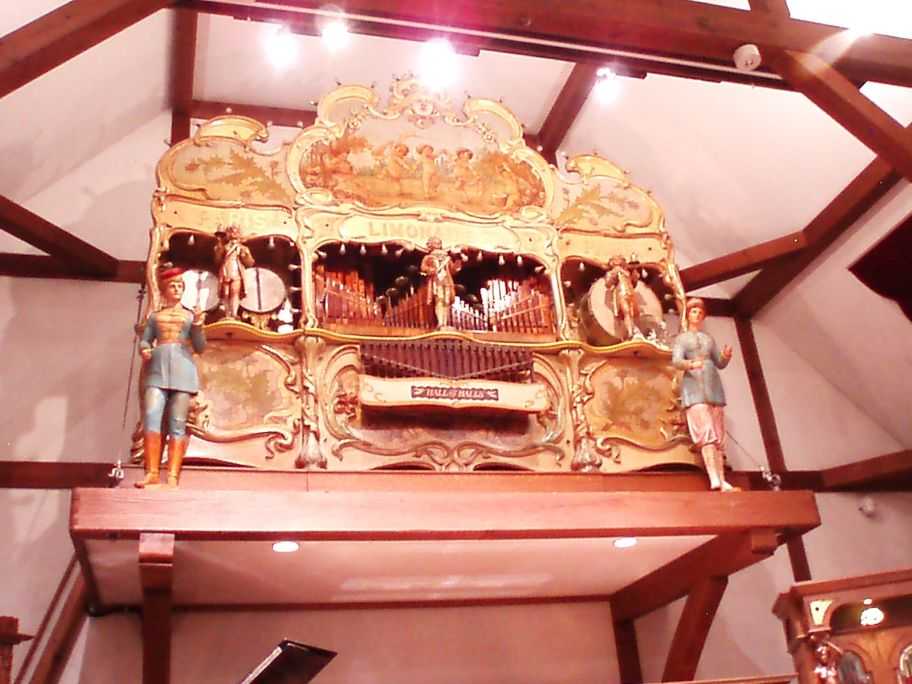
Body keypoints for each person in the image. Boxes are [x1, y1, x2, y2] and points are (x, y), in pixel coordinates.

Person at [136, 267, 206, 488]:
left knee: (178, 423)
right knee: (151, 416)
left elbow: (200, 346)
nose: (176, 289)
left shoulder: (189, 316)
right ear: (165, 290)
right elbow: (146, 339)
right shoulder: (155, 316)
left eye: (180, 286)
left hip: (182, 371)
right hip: (157, 370)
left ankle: (173, 476)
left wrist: (198, 325)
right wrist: (144, 349)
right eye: (172, 286)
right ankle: (152, 472)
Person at [672, 297, 738, 492]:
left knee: (718, 436)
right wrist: (691, 364)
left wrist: (725, 356)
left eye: (700, 312)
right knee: (706, 433)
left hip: (713, 387)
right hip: (694, 388)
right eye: (694, 311)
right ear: (688, 315)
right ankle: (713, 478)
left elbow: (719, 363)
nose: (697, 315)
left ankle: (722, 479)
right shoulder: (682, 339)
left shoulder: (708, 339)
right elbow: (676, 361)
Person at [420, 236, 463, 329]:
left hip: (446, 281)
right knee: (439, 300)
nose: (437, 245)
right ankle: (440, 322)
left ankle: (445, 322)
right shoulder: (428, 257)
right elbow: (423, 268)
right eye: (435, 243)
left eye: (438, 243)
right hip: (436, 281)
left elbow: (453, 270)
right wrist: (430, 270)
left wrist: (458, 260)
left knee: (446, 302)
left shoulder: (447, 258)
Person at [214, 225, 254, 319]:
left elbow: (250, 263)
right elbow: (217, 260)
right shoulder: (224, 247)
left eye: (235, 232)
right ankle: (227, 313)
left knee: (235, 292)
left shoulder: (242, 248)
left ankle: (234, 313)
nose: (233, 234)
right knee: (226, 293)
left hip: (236, 271)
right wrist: (219, 246)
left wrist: (246, 255)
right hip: (226, 270)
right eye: (231, 232)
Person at [603, 255, 642, 341]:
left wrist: (634, 277)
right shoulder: (611, 273)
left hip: (629, 292)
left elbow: (633, 284)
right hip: (620, 292)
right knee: (626, 311)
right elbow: (608, 284)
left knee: (633, 312)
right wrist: (614, 275)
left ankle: (634, 331)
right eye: (616, 261)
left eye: (620, 261)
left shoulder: (627, 272)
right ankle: (630, 333)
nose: (618, 263)